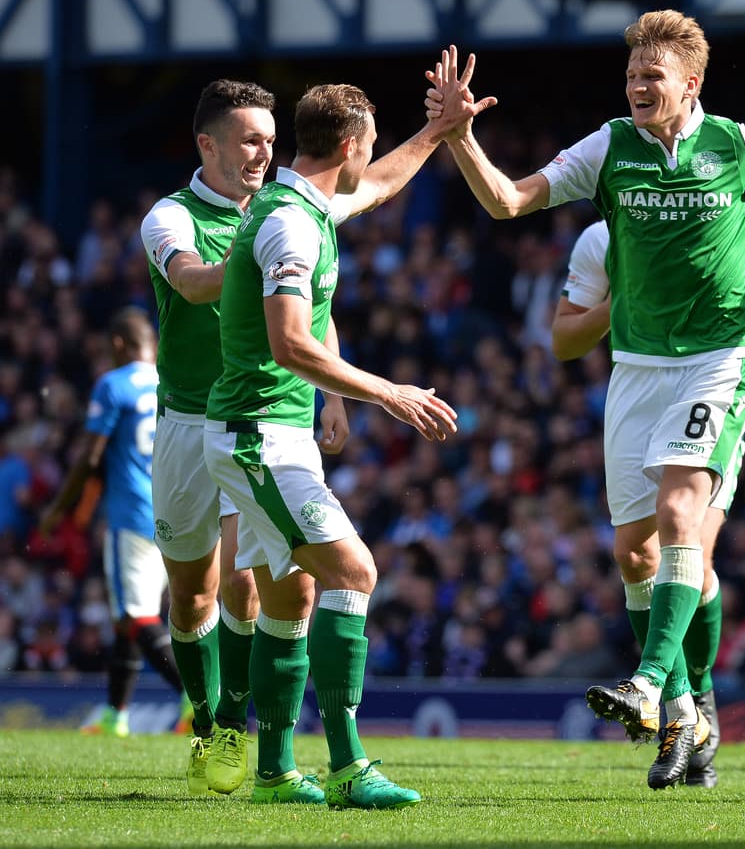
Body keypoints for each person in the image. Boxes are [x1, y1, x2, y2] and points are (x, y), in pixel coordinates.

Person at [425, 10, 745, 789]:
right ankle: (689, 712)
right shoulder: (609, 147)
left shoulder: (737, 145)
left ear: (692, 83)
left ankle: (651, 683)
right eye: (630, 77)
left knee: (683, 512)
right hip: (637, 370)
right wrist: (460, 138)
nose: (637, 87)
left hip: (720, 359)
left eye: (652, 76)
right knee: (636, 553)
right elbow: (510, 202)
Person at [202, 78, 466, 808]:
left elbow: (377, 186)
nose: (370, 159)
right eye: (369, 145)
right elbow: (289, 343)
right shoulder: (291, 225)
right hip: (258, 435)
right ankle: (350, 767)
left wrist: (438, 132)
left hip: (272, 430)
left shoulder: (305, 205)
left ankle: (274, 772)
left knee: (291, 599)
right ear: (348, 145)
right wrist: (386, 392)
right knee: (354, 572)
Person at [551, 221, 745, 788]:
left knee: (689, 548)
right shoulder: (601, 240)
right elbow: (563, 340)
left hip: (713, 387)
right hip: (640, 392)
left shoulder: (724, 227)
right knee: (636, 557)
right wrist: (620, 301)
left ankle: (684, 693)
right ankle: (686, 713)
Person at [140, 79, 279, 797]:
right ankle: (202, 716)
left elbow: (308, 301)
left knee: (244, 576)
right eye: (250, 140)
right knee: (192, 597)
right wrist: (257, 263)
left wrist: (335, 394)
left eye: (270, 140)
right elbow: (193, 284)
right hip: (183, 423)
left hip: (249, 418)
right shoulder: (169, 216)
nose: (263, 153)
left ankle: (231, 723)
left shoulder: (282, 212)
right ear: (209, 145)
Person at [39, 308, 186, 737]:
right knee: (129, 618)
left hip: (132, 514)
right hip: (176, 514)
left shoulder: (114, 384)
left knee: (136, 615)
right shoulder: (172, 380)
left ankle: (196, 698)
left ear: (119, 344)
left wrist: (58, 509)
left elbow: (91, 456)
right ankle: (114, 715)